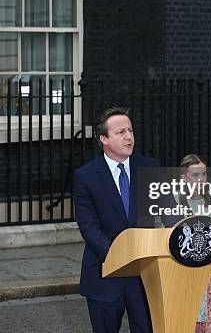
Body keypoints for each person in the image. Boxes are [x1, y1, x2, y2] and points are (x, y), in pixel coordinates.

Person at [74, 106, 159, 333]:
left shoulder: (150, 168)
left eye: (130, 130)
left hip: (144, 274)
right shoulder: (86, 176)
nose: (129, 136)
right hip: (105, 272)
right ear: (104, 138)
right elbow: (88, 225)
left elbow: (169, 213)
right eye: (120, 132)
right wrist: (117, 255)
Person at [159, 154, 211, 333]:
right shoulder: (173, 199)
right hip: (183, 268)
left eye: (204, 174)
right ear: (184, 178)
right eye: (195, 175)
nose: (201, 179)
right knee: (187, 319)